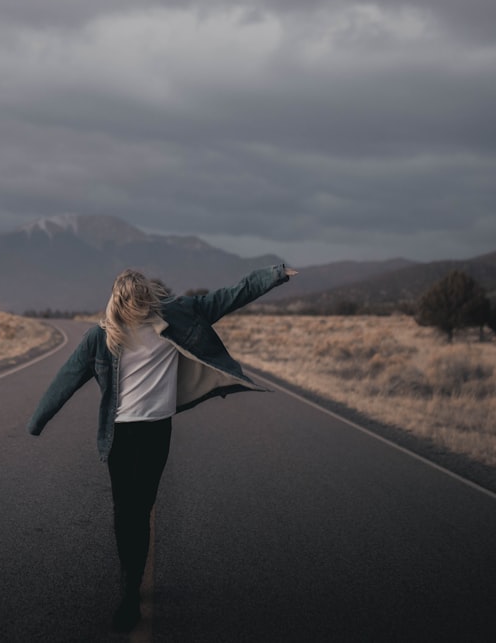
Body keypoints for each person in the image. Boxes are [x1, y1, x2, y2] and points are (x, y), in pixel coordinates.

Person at [27, 263, 298, 632]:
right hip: (120, 434)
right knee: (126, 511)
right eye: (133, 302)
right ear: (122, 301)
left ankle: (130, 585)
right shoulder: (102, 337)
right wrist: (37, 421)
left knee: (139, 508)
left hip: (155, 431)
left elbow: (231, 295)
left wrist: (274, 274)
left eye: (142, 301)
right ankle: (130, 585)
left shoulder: (178, 315)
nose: (138, 308)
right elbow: (68, 378)